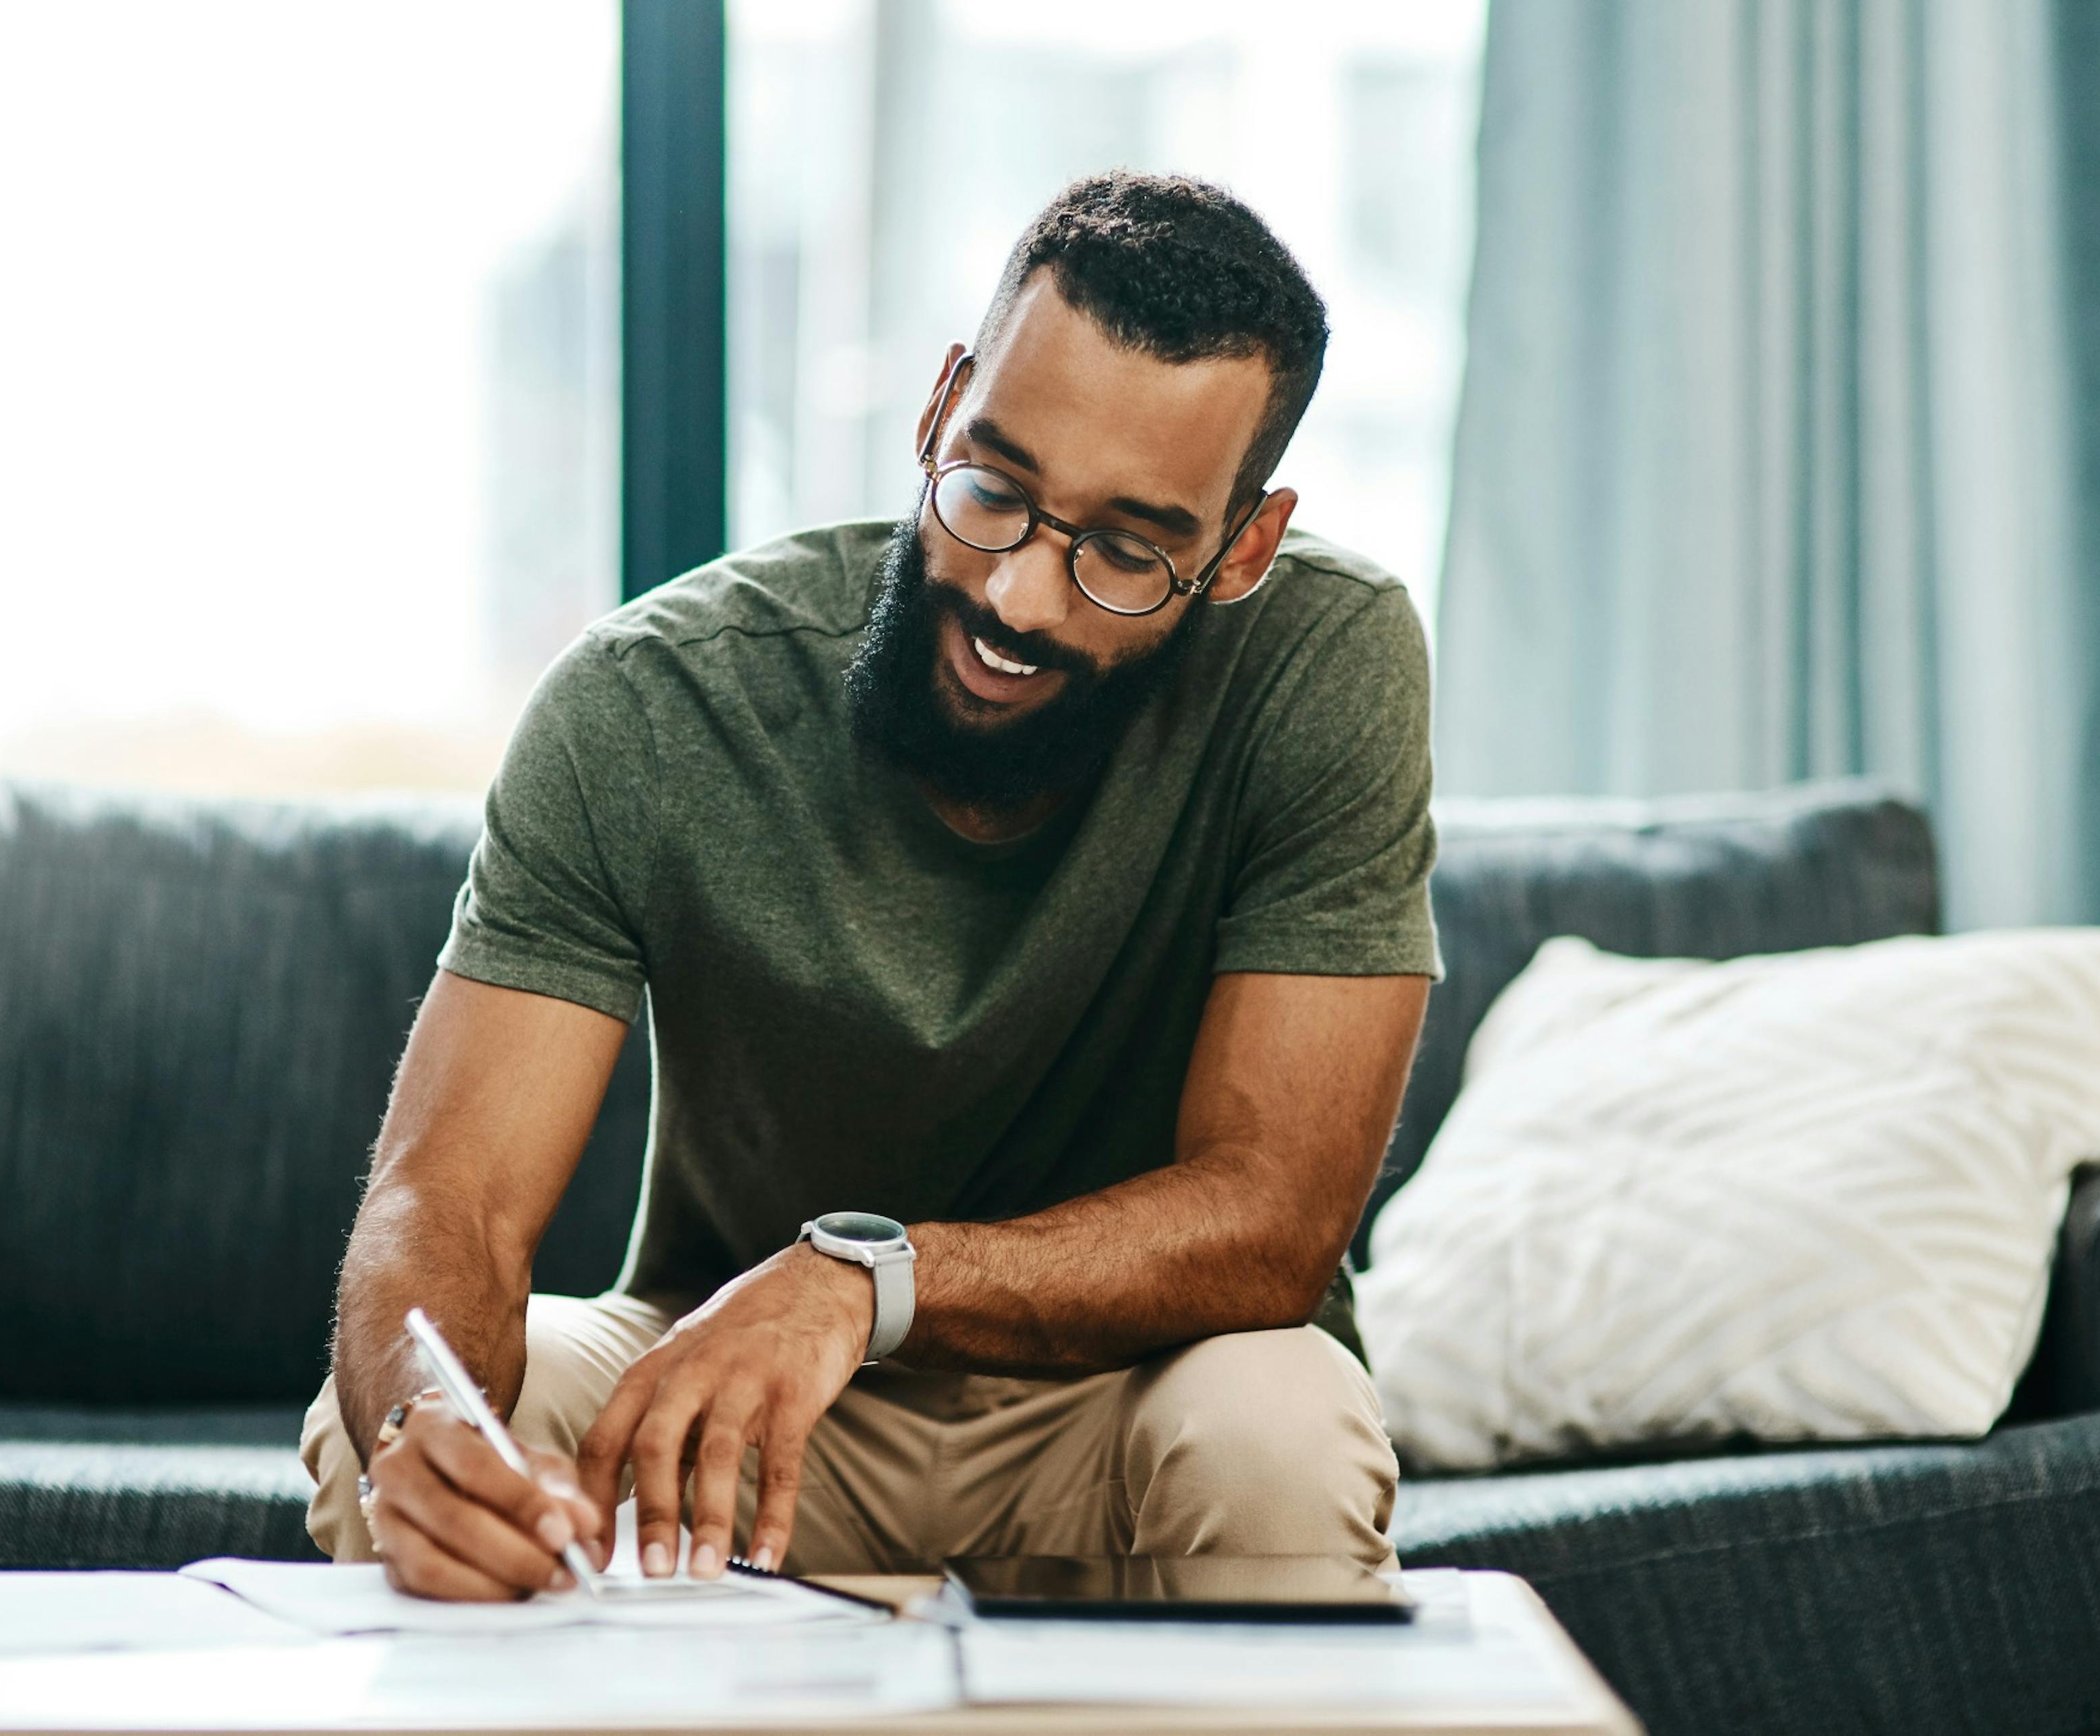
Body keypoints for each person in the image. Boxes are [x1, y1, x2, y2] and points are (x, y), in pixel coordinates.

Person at [301, 170, 1438, 1600]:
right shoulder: (648, 700)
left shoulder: (1330, 661)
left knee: (1282, 1427)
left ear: (1242, 549)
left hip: (1127, 1402)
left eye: (1127, 550)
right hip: (725, 1392)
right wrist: (422, 1408)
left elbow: (1272, 1217)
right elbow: (449, 1188)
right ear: (940, 404)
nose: (1020, 596)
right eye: (993, 487)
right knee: (399, 1449)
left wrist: (862, 1278)